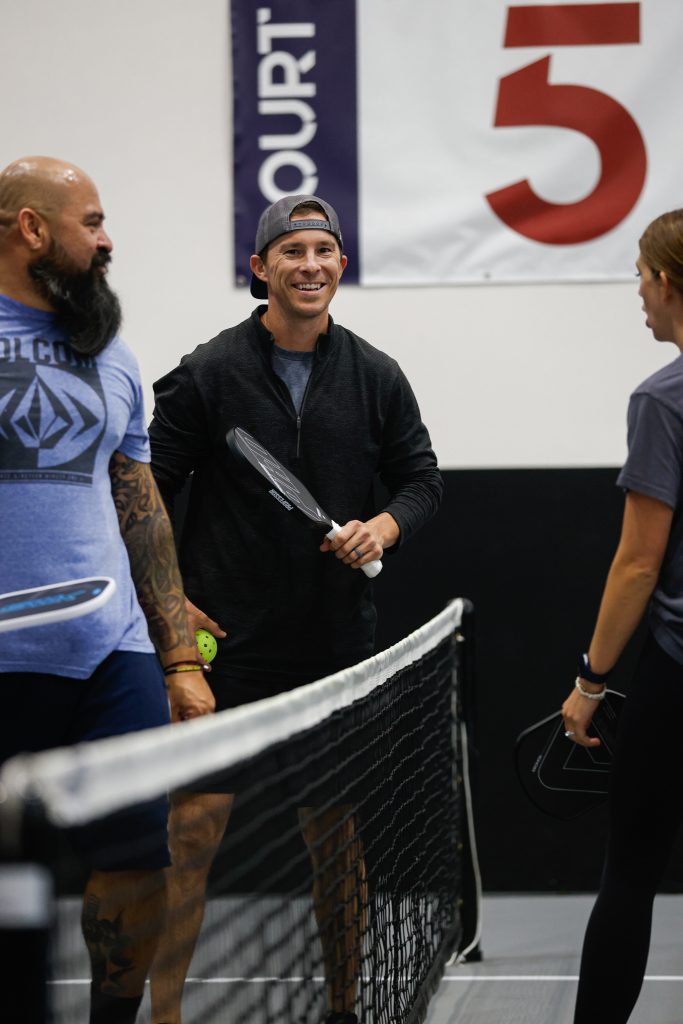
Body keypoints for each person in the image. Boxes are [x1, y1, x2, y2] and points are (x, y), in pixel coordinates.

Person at [148, 193, 443, 1023]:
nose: (309, 264)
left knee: (334, 840)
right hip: (227, 646)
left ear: (340, 264)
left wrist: (381, 526)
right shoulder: (208, 371)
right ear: (260, 268)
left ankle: (344, 1009)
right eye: (291, 251)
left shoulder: (376, 375)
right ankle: (162, 1013)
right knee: (192, 832)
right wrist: (171, 605)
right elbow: (142, 489)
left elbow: (422, 481)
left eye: (323, 250)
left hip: (331, 645)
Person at [0, 156, 214, 1024]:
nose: (107, 238)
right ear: (32, 229)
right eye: (91, 221)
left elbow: (139, 499)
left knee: (136, 863)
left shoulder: (112, 354)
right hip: (6, 658)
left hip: (110, 651)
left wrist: (174, 654)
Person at [562, 208, 683, 1024]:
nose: (635, 293)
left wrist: (590, 682)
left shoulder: (662, 400)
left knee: (631, 869)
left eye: (639, 276)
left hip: (675, 675)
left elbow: (638, 563)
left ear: (667, 282)